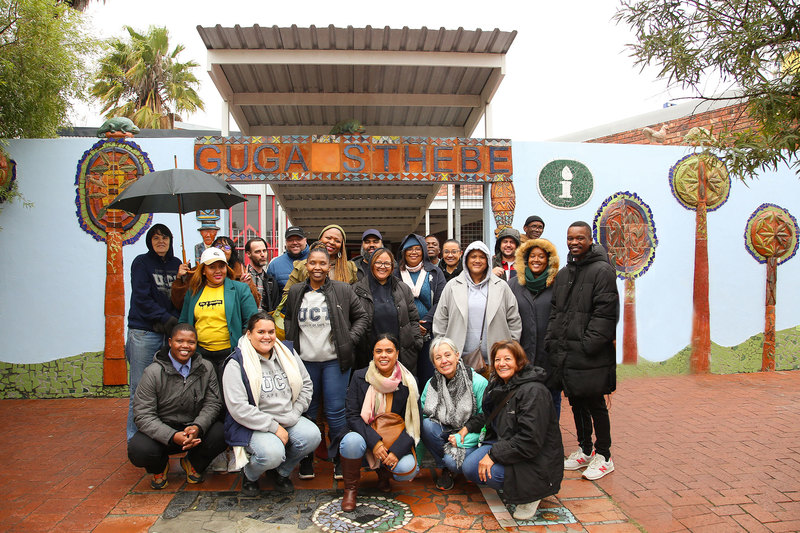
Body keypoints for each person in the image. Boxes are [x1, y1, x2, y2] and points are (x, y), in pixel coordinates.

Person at [283, 245, 368, 480]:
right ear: (306, 265)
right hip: (304, 364)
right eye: (313, 263)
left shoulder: (343, 290)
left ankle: (340, 460)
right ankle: (306, 460)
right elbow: (289, 317)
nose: (317, 268)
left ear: (329, 266)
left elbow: (361, 316)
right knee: (308, 412)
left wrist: (349, 340)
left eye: (322, 263)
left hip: (334, 362)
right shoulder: (296, 291)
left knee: (335, 412)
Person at [545, 221, 619, 481]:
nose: (574, 242)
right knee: (576, 402)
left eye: (579, 238)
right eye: (570, 238)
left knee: (595, 403)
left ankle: (604, 455)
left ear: (590, 239)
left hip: (590, 355)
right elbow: (556, 312)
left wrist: (588, 345)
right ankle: (585, 449)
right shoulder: (565, 273)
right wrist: (551, 341)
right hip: (567, 353)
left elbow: (605, 315)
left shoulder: (603, 271)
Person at [461, 341, 563, 521]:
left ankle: (532, 492)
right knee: (470, 466)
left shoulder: (534, 391)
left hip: (535, 458)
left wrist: (493, 456)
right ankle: (514, 481)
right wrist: (467, 428)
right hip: (508, 442)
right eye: (497, 359)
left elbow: (529, 440)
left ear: (519, 361)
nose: (502, 364)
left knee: (484, 468)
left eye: (508, 358)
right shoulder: (499, 385)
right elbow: (489, 415)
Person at [222, 312, 320, 496]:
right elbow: (238, 408)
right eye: (260, 331)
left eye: (271, 331)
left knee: (312, 436)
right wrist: (274, 427)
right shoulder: (236, 363)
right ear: (249, 334)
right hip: (255, 423)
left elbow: (306, 384)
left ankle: (281, 473)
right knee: (272, 453)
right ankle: (250, 475)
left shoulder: (288, 353)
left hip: (288, 416)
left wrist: (295, 413)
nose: (267, 337)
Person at [128, 323, 227, 489]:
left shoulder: (206, 368)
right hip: (163, 433)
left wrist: (197, 426)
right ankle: (159, 468)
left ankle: (193, 464)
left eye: (191, 342)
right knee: (138, 449)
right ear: (170, 342)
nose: (185, 346)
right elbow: (143, 414)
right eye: (179, 341)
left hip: (193, 430)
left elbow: (213, 403)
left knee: (224, 431)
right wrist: (172, 435)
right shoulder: (152, 372)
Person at [339, 335, 421, 511]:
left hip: (394, 439)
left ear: (397, 354)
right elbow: (352, 415)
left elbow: (414, 423)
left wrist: (397, 451)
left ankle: (384, 472)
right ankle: (351, 490)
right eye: (379, 351)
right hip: (365, 435)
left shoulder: (410, 382)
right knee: (350, 442)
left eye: (389, 351)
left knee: (407, 469)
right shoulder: (359, 377)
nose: (384, 355)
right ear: (373, 354)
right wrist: (374, 442)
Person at [125, 223, 184, 441]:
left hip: (168, 333)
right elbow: (142, 298)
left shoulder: (177, 263)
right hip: (144, 332)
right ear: (150, 241)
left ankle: (158, 436)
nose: (161, 241)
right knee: (140, 389)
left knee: (166, 389)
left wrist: (183, 280)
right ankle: (135, 438)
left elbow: (178, 298)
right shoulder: (141, 263)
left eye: (165, 238)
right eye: (156, 238)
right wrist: (166, 318)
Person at [433, 241, 522, 369]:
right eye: (473, 257)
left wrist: (511, 347)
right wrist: (442, 349)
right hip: (458, 359)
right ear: (466, 260)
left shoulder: (501, 287)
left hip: (497, 361)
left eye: (482, 257)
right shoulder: (452, 286)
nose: (477, 260)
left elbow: (514, 320)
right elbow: (440, 320)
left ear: (488, 261)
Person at [178, 247, 259, 381]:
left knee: (227, 398)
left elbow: (252, 321)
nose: (218, 271)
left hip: (230, 355)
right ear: (203, 270)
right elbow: (184, 322)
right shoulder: (193, 292)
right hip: (201, 356)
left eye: (222, 266)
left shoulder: (240, 289)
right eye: (212, 267)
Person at [420, 337, 487, 491]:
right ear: (434, 363)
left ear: (457, 356)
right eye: (438, 358)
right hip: (446, 431)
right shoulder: (432, 384)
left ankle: (456, 463)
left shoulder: (477, 382)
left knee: (453, 461)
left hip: (473, 434)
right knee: (427, 426)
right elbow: (424, 417)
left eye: (448, 355)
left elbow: (486, 419)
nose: (444, 361)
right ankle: (446, 468)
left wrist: (464, 436)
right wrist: (417, 462)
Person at [508, 238, 563, 418]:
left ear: (549, 260)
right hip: (522, 352)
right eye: (532, 256)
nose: (536, 260)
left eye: (541, 256)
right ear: (525, 258)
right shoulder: (514, 284)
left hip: (549, 354)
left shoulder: (557, 283)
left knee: (551, 397)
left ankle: (551, 437)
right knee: (522, 398)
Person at [353, 247, 423, 371]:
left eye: (387, 263)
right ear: (371, 265)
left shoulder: (403, 288)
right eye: (378, 262)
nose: (382, 267)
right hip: (367, 355)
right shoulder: (357, 290)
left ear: (392, 266)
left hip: (401, 354)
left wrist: (416, 342)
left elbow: (413, 319)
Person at [394, 233, 446, 387]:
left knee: (427, 376)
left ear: (423, 251)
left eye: (418, 249)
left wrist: (426, 323)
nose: (414, 252)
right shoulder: (395, 274)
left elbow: (441, 300)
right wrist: (411, 327)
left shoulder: (435, 273)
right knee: (405, 378)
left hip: (427, 333)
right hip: (403, 334)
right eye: (409, 249)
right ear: (403, 252)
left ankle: (426, 410)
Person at [281, 224, 358, 298]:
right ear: (320, 239)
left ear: (342, 246)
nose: (331, 242)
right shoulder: (302, 266)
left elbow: (355, 296)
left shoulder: (350, 267)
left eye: (337, 241)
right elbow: (287, 295)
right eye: (328, 238)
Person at [267, 226, 309, 292]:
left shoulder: (316, 260)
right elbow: (270, 296)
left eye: (298, 239)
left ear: (305, 240)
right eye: (290, 240)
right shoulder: (274, 265)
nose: (294, 242)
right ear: (286, 242)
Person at [244, 237, 280, 313]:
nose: (262, 255)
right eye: (257, 252)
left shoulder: (271, 281)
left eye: (264, 251)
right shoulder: (242, 277)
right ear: (248, 254)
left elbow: (273, 308)